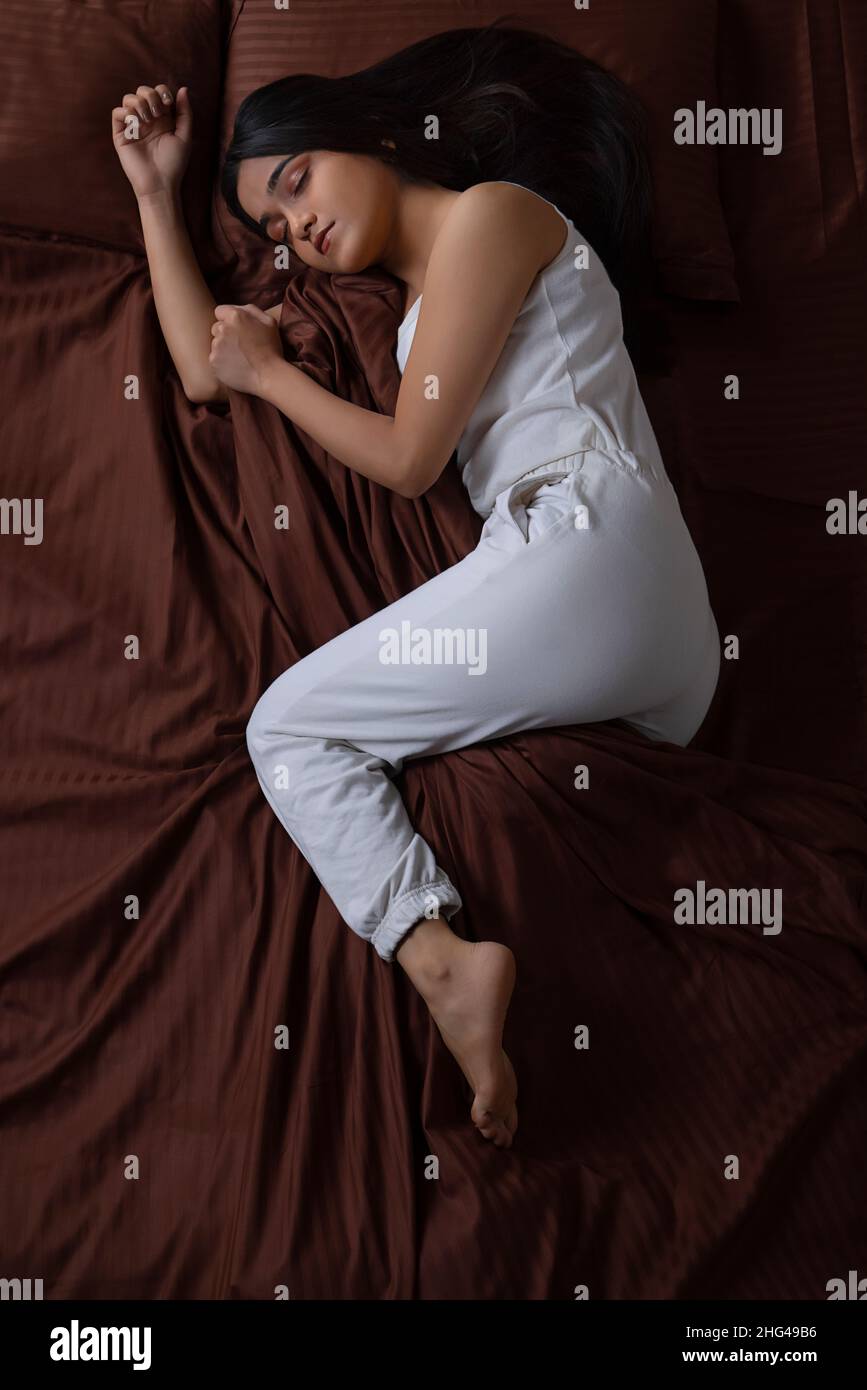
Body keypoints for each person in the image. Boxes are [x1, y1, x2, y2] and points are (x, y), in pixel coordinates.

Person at [111, 23, 721, 1150]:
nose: (298, 229)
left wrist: (276, 376)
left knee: (290, 729)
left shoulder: (493, 214)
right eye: (279, 230)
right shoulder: (403, 315)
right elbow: (207, 367)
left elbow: (407, 458)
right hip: (642, 661)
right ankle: (464, 969)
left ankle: (438, 959)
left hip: (586, 540)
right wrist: (157, 192)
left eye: (296, 184)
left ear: (370, 134)